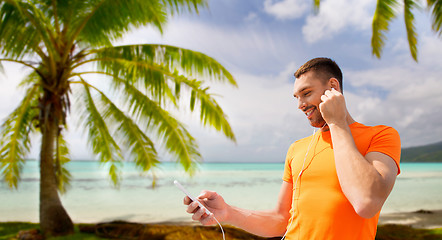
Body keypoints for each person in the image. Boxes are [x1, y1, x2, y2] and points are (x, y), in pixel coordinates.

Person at [183, 57, 401, 240]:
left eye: (306, 93)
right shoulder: (298, 149)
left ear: (333, 88)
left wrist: (337, 123)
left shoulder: (381, 135)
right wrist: (228, 212)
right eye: (297, 97)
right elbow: (281, 221)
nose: (300, 105)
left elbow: (366, 202)